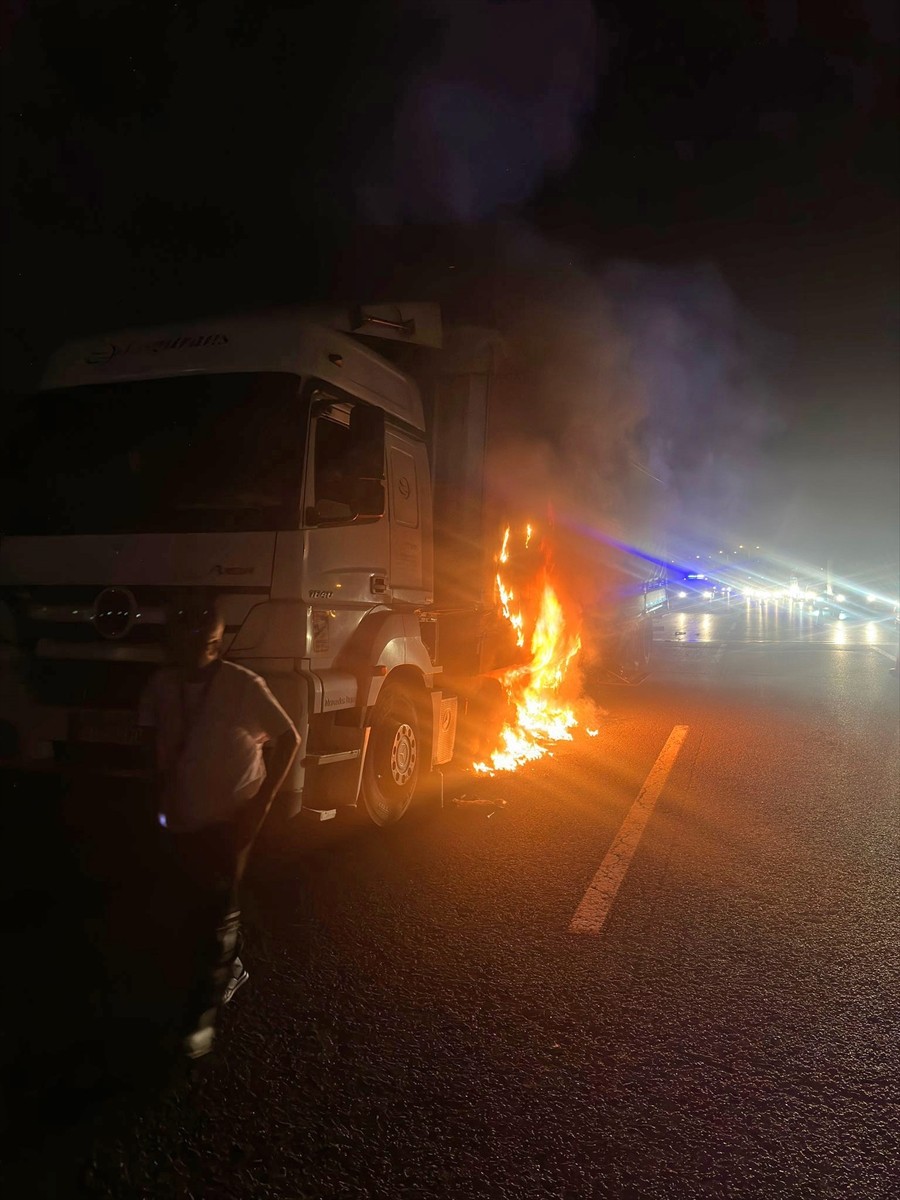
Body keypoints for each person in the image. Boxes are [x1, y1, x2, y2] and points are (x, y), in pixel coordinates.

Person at [138, 591, 300, 1058]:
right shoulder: (161, 686)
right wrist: (155, 795)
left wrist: (260, 809)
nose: (191, 654)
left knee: (215, 915)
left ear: (215, 642)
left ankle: (198, 1026)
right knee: (186, 906)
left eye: (201, 644)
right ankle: (227, 968)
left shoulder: (243, 685)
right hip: (182, 817)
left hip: (231, 822)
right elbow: (151, 742)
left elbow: (289, 737)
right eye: (181, 643)